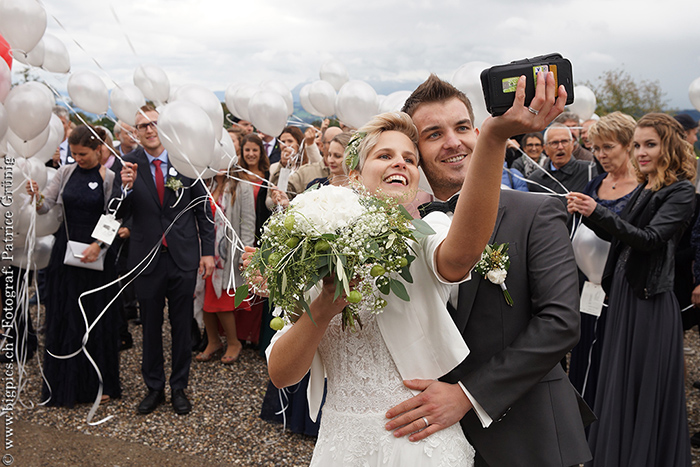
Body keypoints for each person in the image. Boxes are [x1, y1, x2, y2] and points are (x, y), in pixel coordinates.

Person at [265, 72, 567, 466]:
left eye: (409, 158)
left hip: (419, 443)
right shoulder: (312, 237)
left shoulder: (429, 230)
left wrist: (492, 138)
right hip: (343, 444)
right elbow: (282, 374)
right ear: (355, 173)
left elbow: (458, 258)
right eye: (385, 155)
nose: (400, 164)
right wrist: (322, 308)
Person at [385, 74, 593, 467]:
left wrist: (467, 395)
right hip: (427, 439)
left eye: (462, 127)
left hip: (527, 435)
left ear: (480, 133)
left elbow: (560, 322)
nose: (453, 141)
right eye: (433, 134)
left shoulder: (536, 212)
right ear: (414, 151)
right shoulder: (393, 231)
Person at [567, 113, 696, 467]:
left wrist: (599, 212)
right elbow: (620, 237)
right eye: (637, 144)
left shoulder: (681, 190)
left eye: (649, 144)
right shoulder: (648, 185)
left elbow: (650, 240)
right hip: (623, 294)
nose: (641, 152)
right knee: (618, 381)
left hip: (649, 299)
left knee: (642, 382)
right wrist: (590, 214)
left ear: (669, 146)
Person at [118, 105, 215, 415]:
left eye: (153, 124)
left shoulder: (185, 158)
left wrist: (208, 251)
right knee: (150, 325)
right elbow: (117, 212)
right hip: (146, 258)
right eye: (141, 125)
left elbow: (204, 209)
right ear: (135, 131)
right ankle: (154, 387)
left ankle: (179, 387)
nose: (148, 130)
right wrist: (125, 188)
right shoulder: (129, 165)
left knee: (181, 325)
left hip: (182, 257)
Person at [26, 125, 122, 407]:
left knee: (95, 319)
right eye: (75, 153)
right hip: (65, 255)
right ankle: (64, 382)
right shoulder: (65, 172)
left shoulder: (110, 177)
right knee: (65, 316)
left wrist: (99, 244)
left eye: (84, 154)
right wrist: (36, 197)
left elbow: (113, 213)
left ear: (98, 150)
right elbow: (47, 206)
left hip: (97, 257)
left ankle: (99, 383)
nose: (79, 158)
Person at [567, 111, 639, 411]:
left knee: (617, 353)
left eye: (607, 147)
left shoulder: (644, 189)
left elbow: (638, 236)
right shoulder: (594, 182)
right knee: (585, 349)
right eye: (596, 148)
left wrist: (596, 212)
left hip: (625, 285)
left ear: (629, 145)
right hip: (587, 284)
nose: (600, 155)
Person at [195, 168, 255, 364]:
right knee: (204, 298)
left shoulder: (242, 185)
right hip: (204, 250)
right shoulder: (205, 182)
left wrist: (245, 253)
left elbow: (247, 222)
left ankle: (233, 342)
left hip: (227, 252)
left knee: (222, 302)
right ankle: (213, 341)